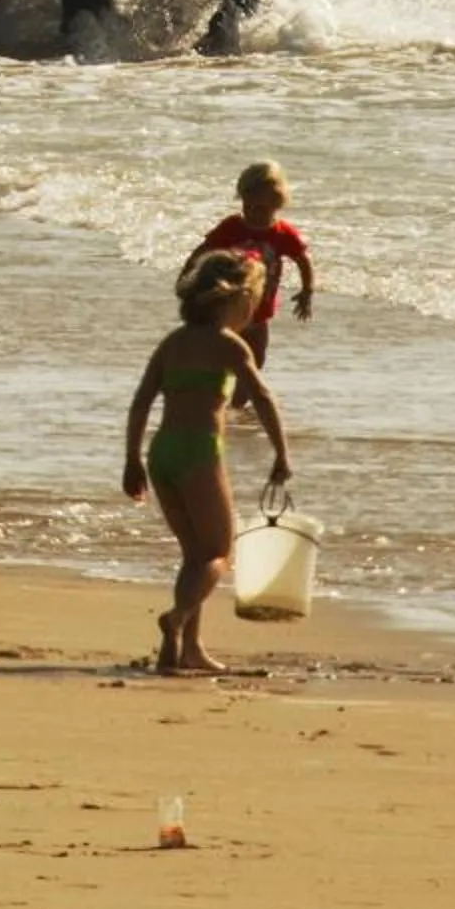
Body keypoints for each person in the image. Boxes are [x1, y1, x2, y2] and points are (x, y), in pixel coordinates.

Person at [120, 251, 294, 675]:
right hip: (199, 451)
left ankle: (185, 649)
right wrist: (282, 453)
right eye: (251, 302)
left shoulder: (173, 343)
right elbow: (263, 397)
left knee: (195, 555)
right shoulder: (227, 344)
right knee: (218, 552)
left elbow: (142, 401)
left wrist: (132, 459)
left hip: (163, 453)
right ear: (232, 301)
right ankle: (177, 618)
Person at [191, 160, 314, 384]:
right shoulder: (231, 227)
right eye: (248, 207)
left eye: (262, 209)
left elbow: (302, 260)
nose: (254, 214)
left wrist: (307, 291)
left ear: (277, 204)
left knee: (255, 360)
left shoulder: (283, 233)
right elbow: (203, 250)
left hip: (260, 310)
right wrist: (189, 277)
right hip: (228, 307)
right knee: (224, 357)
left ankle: (238, 402)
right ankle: (219, 398)